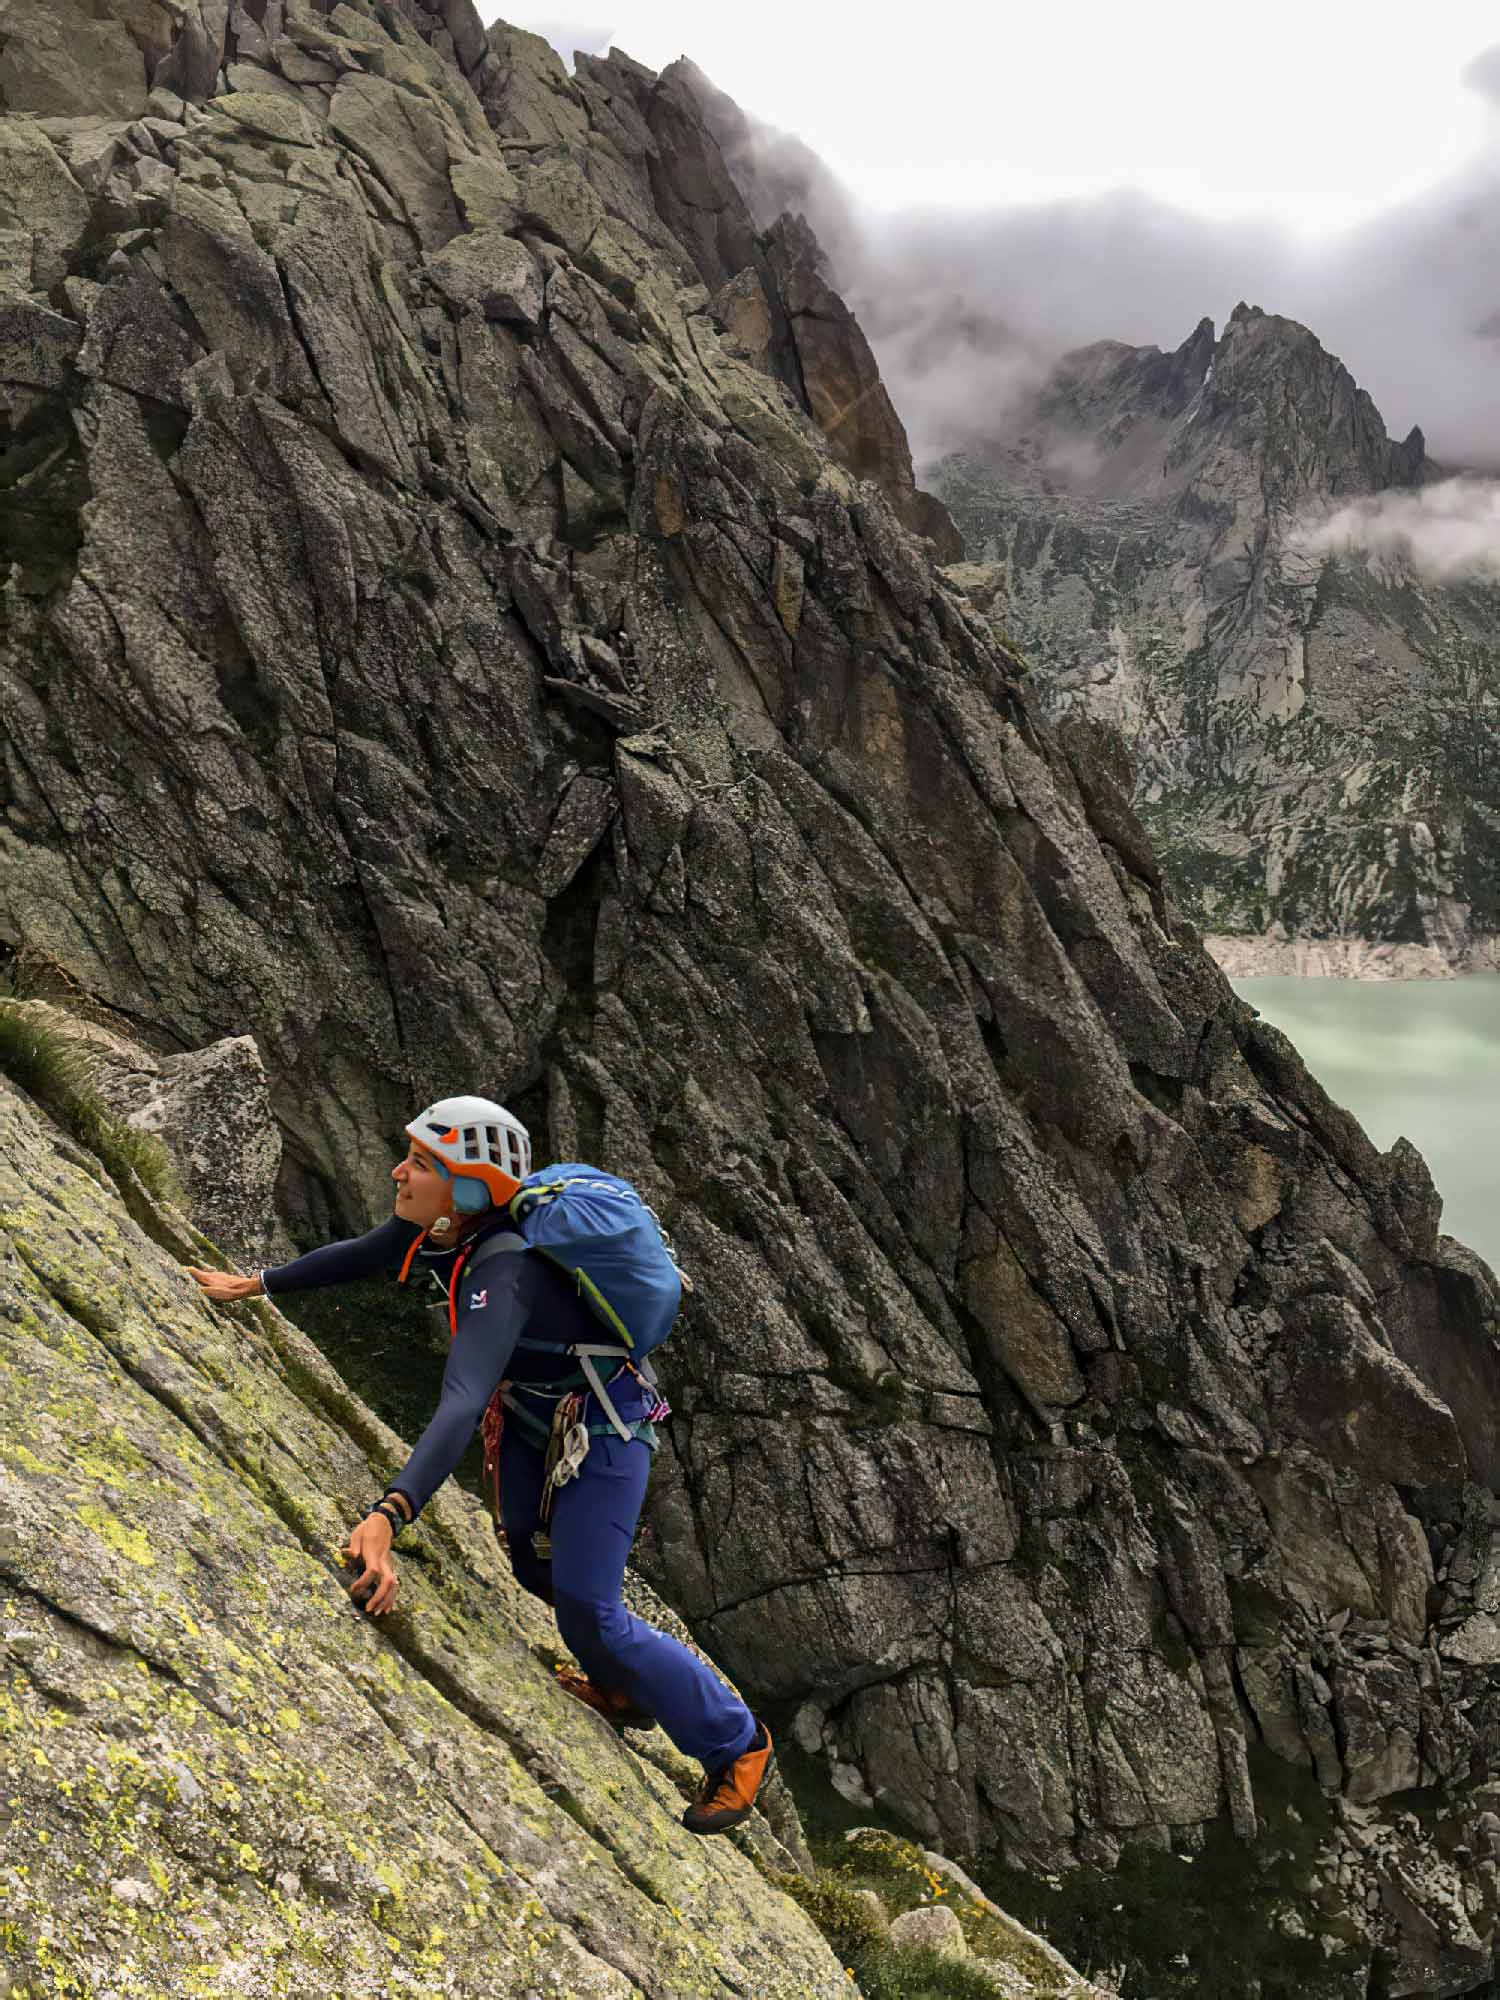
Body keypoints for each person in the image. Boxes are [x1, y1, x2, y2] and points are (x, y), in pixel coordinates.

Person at [186, 1093, 773, 1837]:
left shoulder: (506, 1266)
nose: (399, 1171)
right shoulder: (450, 1225)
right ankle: (628, 1691)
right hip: (539, 1416)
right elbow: (370, 1251)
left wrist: (388, 1513)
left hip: (606, 1429)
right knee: (534, 1565)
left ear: (468, 1187)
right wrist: (258, 1284)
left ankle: (738, 1742)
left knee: (589, 1604)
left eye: (421, 1164)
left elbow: (462, 1400)